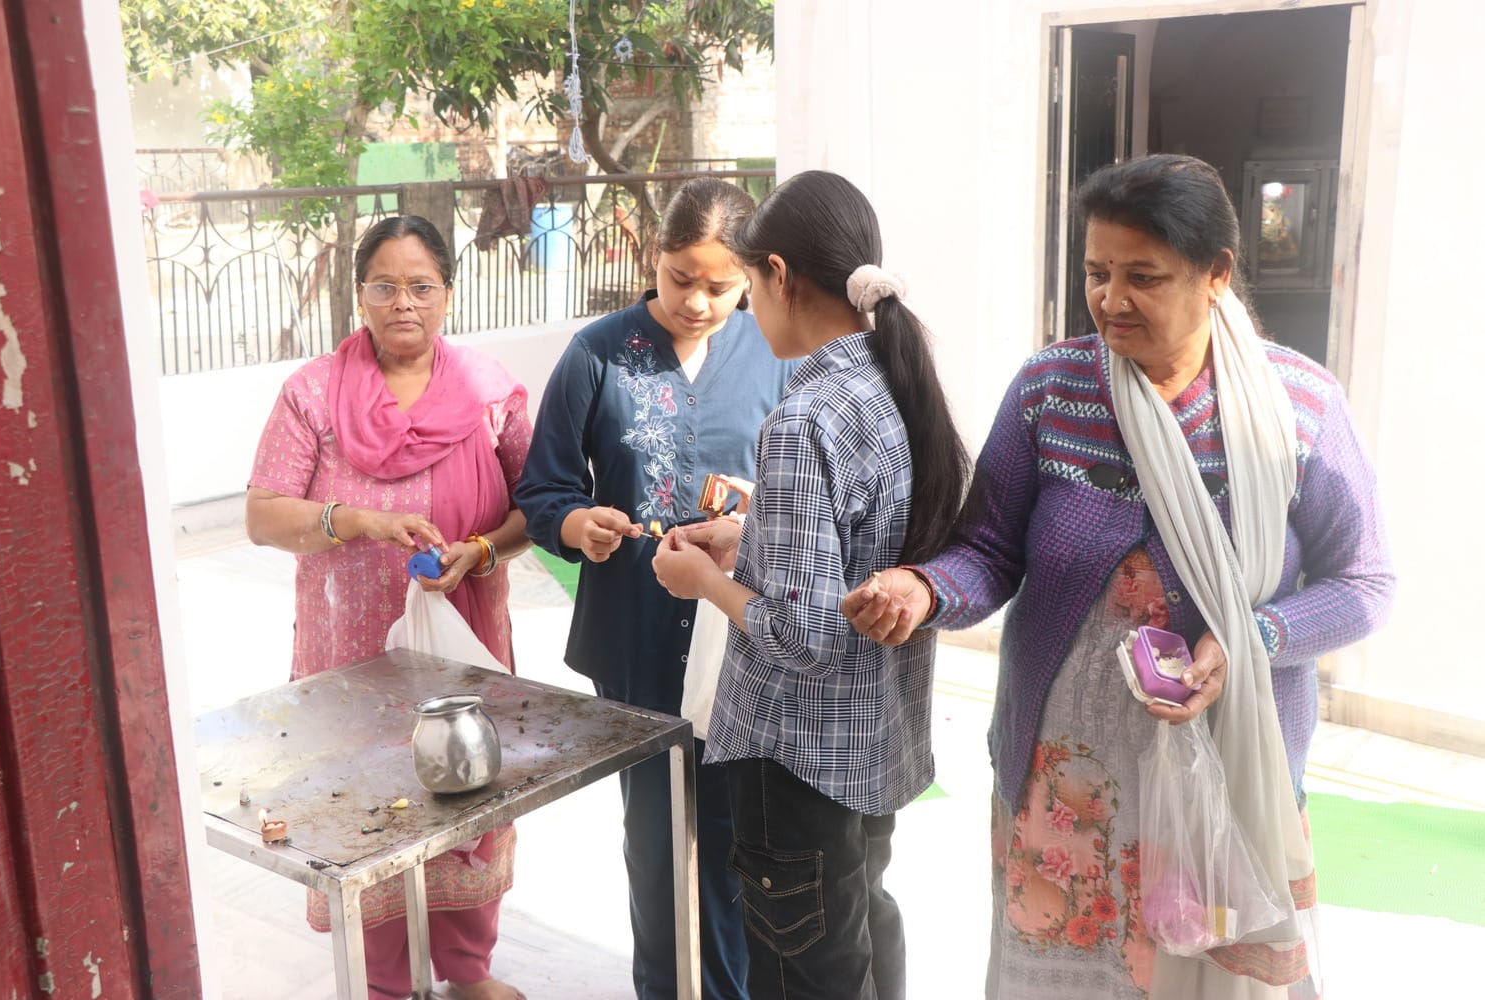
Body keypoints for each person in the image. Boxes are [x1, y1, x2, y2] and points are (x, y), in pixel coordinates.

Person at [842, 154, 1395, 999]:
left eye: (1144, 276)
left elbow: (1364, 583)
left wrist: (1253, 637)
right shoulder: (1051, 391)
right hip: (1067, 789)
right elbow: (989, 549)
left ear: (1216, 275)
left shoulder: (1298, 407)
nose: (1110, 299)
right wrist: (925, 589)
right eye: (1097, 273)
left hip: (1222, 781)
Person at [651, 169, 971, 1000]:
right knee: (861, 934)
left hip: (796, 761)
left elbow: (804, 635)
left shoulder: (801, 419)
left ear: (779, 275)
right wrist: (747, 535)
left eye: (747, 283)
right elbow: (856, 547)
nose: (747, 307)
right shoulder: (893, 382)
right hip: (874, 746)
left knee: (805, 975)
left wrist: (702, 581)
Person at [514, 178, 793, 1000]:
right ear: (652, 260)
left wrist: (749, 514)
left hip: (740, 636)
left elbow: (794, 492)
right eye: (680, 279)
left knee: (739, 835)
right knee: (659, 836)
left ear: (752, 276)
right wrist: (577, 527)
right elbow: (543, 491)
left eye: (718, 285)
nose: (697, 301)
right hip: (635, 634)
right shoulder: (598, 353)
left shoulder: (773, 354)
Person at [246, 215, 531, 1000]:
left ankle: (468, 972)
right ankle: (385, 984)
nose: (403, 303)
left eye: (421, 286)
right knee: (367, 798)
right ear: (359, 294)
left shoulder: (489, 393)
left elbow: (532, 510)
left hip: (461, 629)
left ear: (447, 293)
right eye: (384, 286)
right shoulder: (313, 394)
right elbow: (263, 515)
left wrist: (478, 551)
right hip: (350, 647)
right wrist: (356, 522)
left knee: (465, 779)